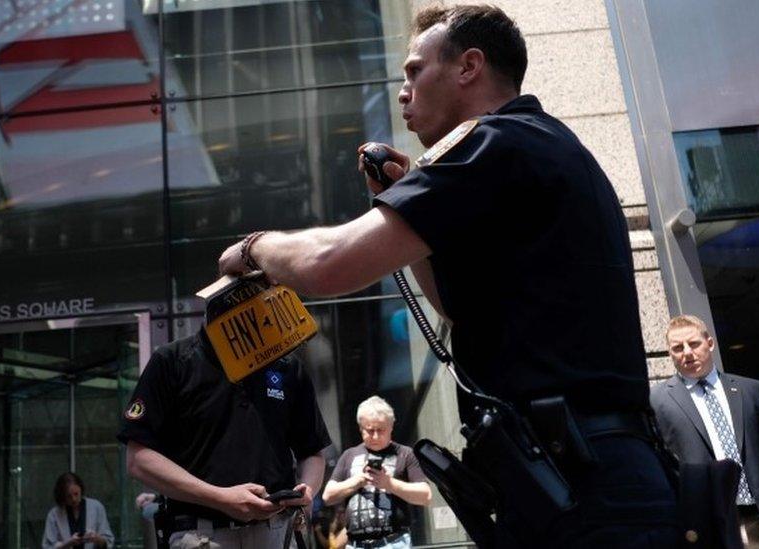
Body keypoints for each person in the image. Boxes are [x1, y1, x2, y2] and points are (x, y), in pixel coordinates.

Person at [218, 4, 679, 546]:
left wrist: (254, 248)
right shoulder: (545, 143)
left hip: (578, 483)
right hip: (590, 473)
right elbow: (458, 308)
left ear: (469, 67)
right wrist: (419, 220)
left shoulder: (491, 143)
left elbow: (329, 264)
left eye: (415, 70)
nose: (403, 90)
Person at [118, 283, 332, 548]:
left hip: (277, 530)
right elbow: (139, 460)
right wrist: (219, 497)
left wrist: (307, 489)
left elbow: (311, 450)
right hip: (202, 534)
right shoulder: (172, 362)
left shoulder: (286, 367)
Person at [651, 314, 759, 547]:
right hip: (703, 523)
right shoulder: (657, 400)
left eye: (694, 343)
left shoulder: (753, 390)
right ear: (670, 354)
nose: (687, 352)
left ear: (710, 343)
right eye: (677, 347)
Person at [322, 397, 430, 548]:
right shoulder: (349, 455)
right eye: (370, 430)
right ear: (360, 428)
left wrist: (389, 484)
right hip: (355, 544)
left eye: (381, 430)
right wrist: (358, 480)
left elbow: (425, 496)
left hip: (394, 542)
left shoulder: (405, 454)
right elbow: (327, 496)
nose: (376, 436)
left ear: (391, 426)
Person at [42, 472, 114, 549]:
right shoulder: (54, 515)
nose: (74, 499)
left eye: (76, 494)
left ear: (81, 489)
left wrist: (97, 538)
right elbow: (47, 546)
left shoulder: (96, 507)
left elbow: (108, 541)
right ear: (62, 496)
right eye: (69, 496)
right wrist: (68, 543)